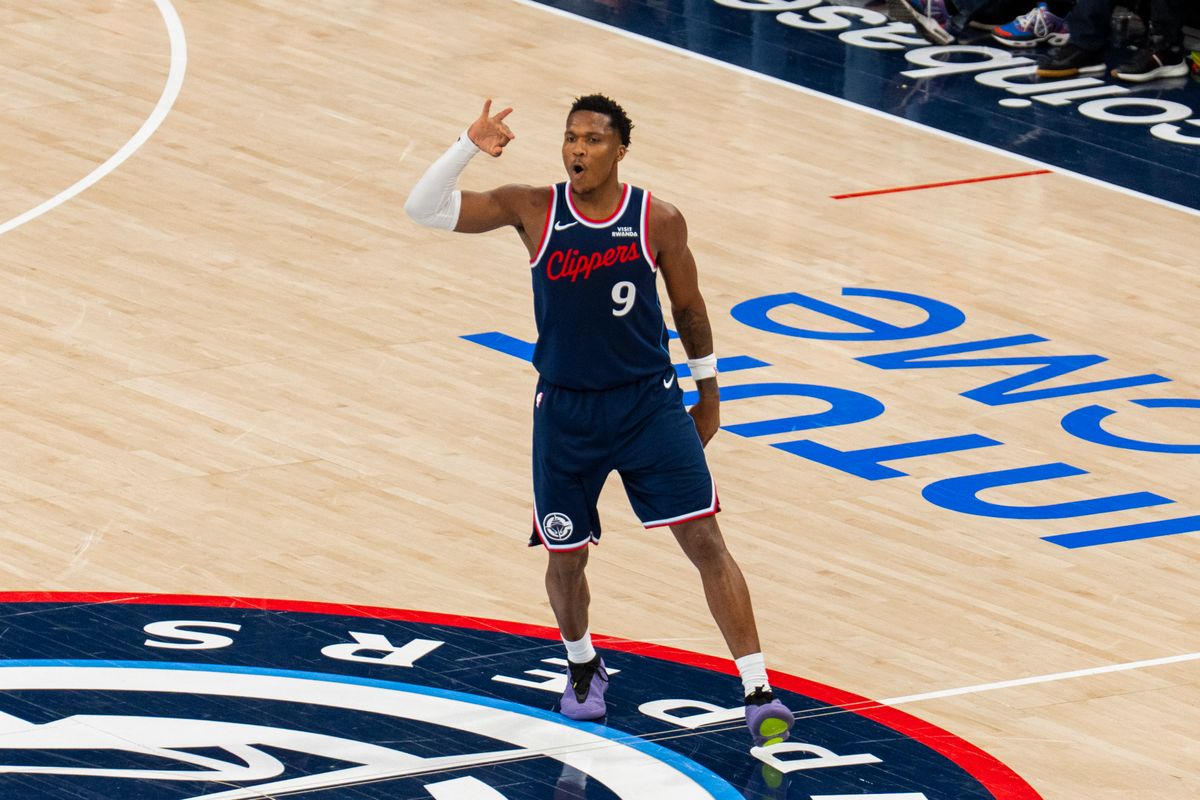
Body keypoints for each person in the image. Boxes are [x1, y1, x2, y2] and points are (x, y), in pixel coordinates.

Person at [404, 95, 796, 747]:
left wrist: (711, 396)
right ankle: (584, 666)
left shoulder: (658, 220)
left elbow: (691, 309)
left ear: (620, 150)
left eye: (592, 139)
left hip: (647, 404)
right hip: (566, 411)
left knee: (705, 542)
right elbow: (423, 209)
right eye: (570, 138)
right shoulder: (533, 208)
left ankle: (758, 688)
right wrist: (467, 143)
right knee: (565, 558)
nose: (578, 149)